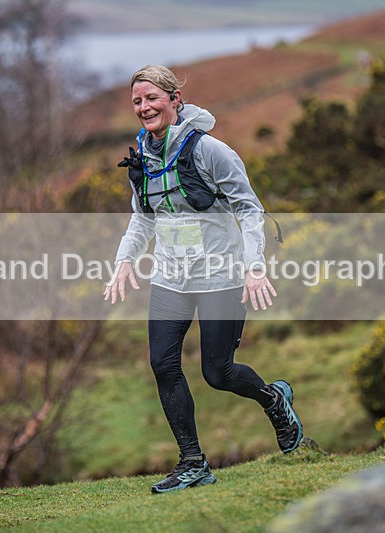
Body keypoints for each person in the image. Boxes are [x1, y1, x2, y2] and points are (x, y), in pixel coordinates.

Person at [104, 65, 303, 494]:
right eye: (137, 101)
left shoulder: (212, 151)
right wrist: (124, 261)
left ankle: (275, 401)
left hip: (220, 275)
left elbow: (249, 210)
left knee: (218, 372)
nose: (144, 107)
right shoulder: (142, 157)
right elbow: (142, 219)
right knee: (162, 364)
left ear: (175, 99)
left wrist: (253, 266)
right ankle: (193, 463)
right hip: (170, 278)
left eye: (152, 98)